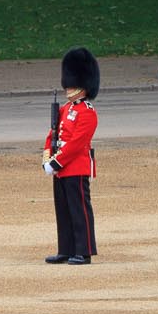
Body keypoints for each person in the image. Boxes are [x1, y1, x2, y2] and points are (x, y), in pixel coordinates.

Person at [43, 47, 101, 265]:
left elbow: (77, 143)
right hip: (60, 167)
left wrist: (56, 162)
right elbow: (53, 134)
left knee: (79, 210)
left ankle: (84, 251)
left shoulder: (87, 111)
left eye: (74, 84)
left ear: (84, 86)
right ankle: (66, 249)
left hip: (75, 166)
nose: (69, 88)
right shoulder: (66, 109)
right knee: (64, 210)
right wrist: (47, 158)